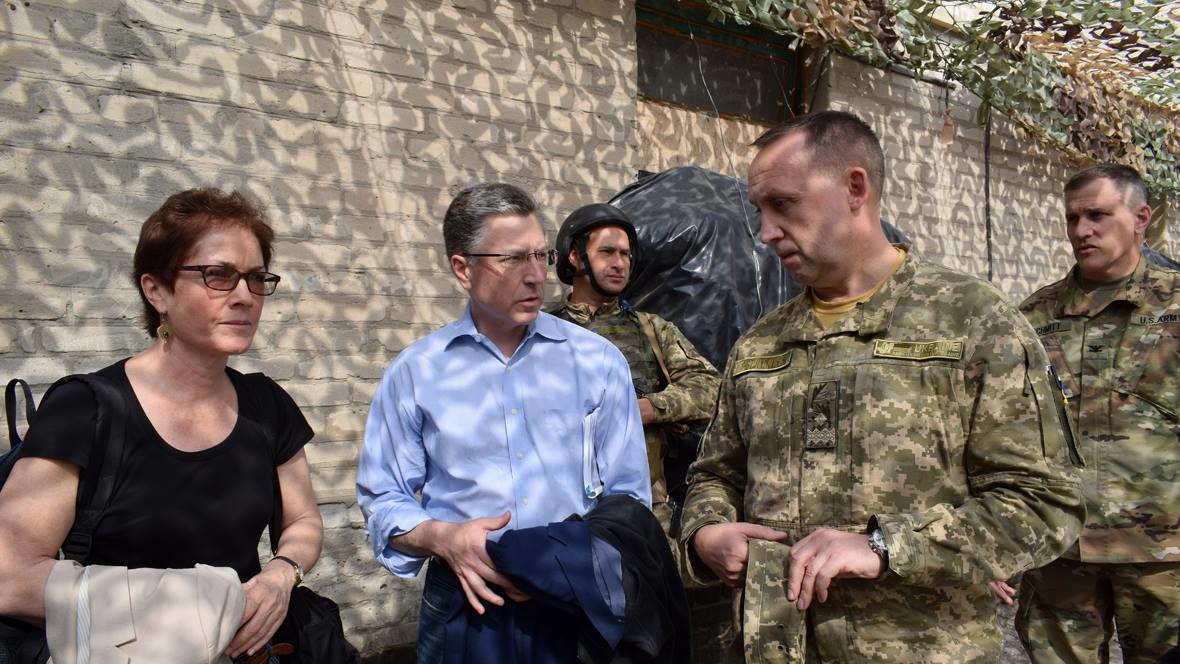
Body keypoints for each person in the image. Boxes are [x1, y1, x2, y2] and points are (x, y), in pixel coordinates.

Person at [678, 110, 1086, 662]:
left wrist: (887, 546)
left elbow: (1044, 503)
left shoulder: (972, 322)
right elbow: (715, 474)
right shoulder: (761, 343)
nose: (767, 232)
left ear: (855, 188)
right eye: (760, 211)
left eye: (784, 204)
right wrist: (707, 532)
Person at [0, 188, 323, 660]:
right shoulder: (84, 410)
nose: (244, 297)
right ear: (156, 291)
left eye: (256, 278)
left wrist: (281, 574)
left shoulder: (267, 406)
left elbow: (303, 520)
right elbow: (9, 577)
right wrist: (193, 607)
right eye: (218, 275)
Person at [356, 183, 651, 664]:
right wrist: (443, 539)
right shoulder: (417, 372)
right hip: (466, 597)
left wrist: (565, 560)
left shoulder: (597, 362)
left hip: (575, 595)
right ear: (462, 268)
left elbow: (630, 500)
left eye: (540, 255)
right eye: (512, 259)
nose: (535, 276)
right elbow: (383, 498)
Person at [1011, 164, 1180, 663]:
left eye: (1098, 215)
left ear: (1141, 218)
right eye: (1072, 218)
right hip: (1061, 551)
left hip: (1164, 555)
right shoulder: (1033, 317)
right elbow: (1005, 431)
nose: (1082, 230)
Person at [547, 203, 720, 536]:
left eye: (626, 254)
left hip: (643, 508)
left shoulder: (651, 329)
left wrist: (648, 408)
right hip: (558, 506)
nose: (619, 263)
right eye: (607, 252)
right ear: (576, 257)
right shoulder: (542, 331)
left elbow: (711, 388)